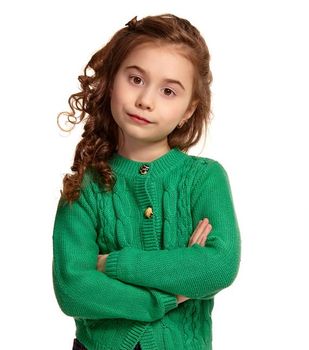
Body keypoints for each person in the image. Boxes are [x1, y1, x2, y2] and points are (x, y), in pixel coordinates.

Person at [53, 14, 240, 350]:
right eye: (136, 79)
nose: (146, 100)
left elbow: (218, 266)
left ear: (187, 110)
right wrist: (170, 293)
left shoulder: (204, 179)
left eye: (169, 91)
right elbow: (73, 289)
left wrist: (112, 264)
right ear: (111, 82)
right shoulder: (85, 186)